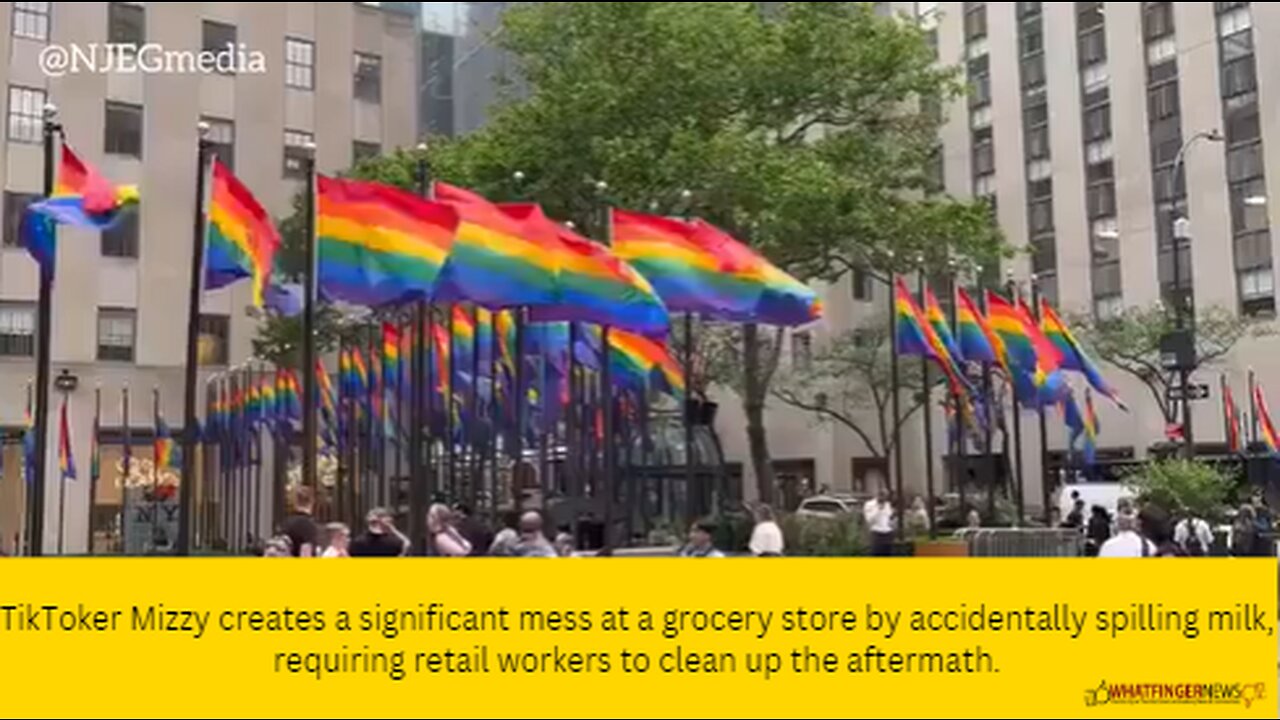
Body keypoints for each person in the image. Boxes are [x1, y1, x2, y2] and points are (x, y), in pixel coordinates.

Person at [279, 486, 319, 557]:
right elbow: (306, 554)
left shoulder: (286, 523)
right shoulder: (308, 525)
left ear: (295, 502)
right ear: (312, 501)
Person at [863, 489, 895, 557]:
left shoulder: (887, 504)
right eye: (882, 496)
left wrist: (891, 524)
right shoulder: (869, 505)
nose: (884, 498)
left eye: (886, 496)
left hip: (888, 534)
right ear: (877, 495)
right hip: (877, 534)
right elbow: (869, 520)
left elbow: (888, 518)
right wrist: (878, 509)